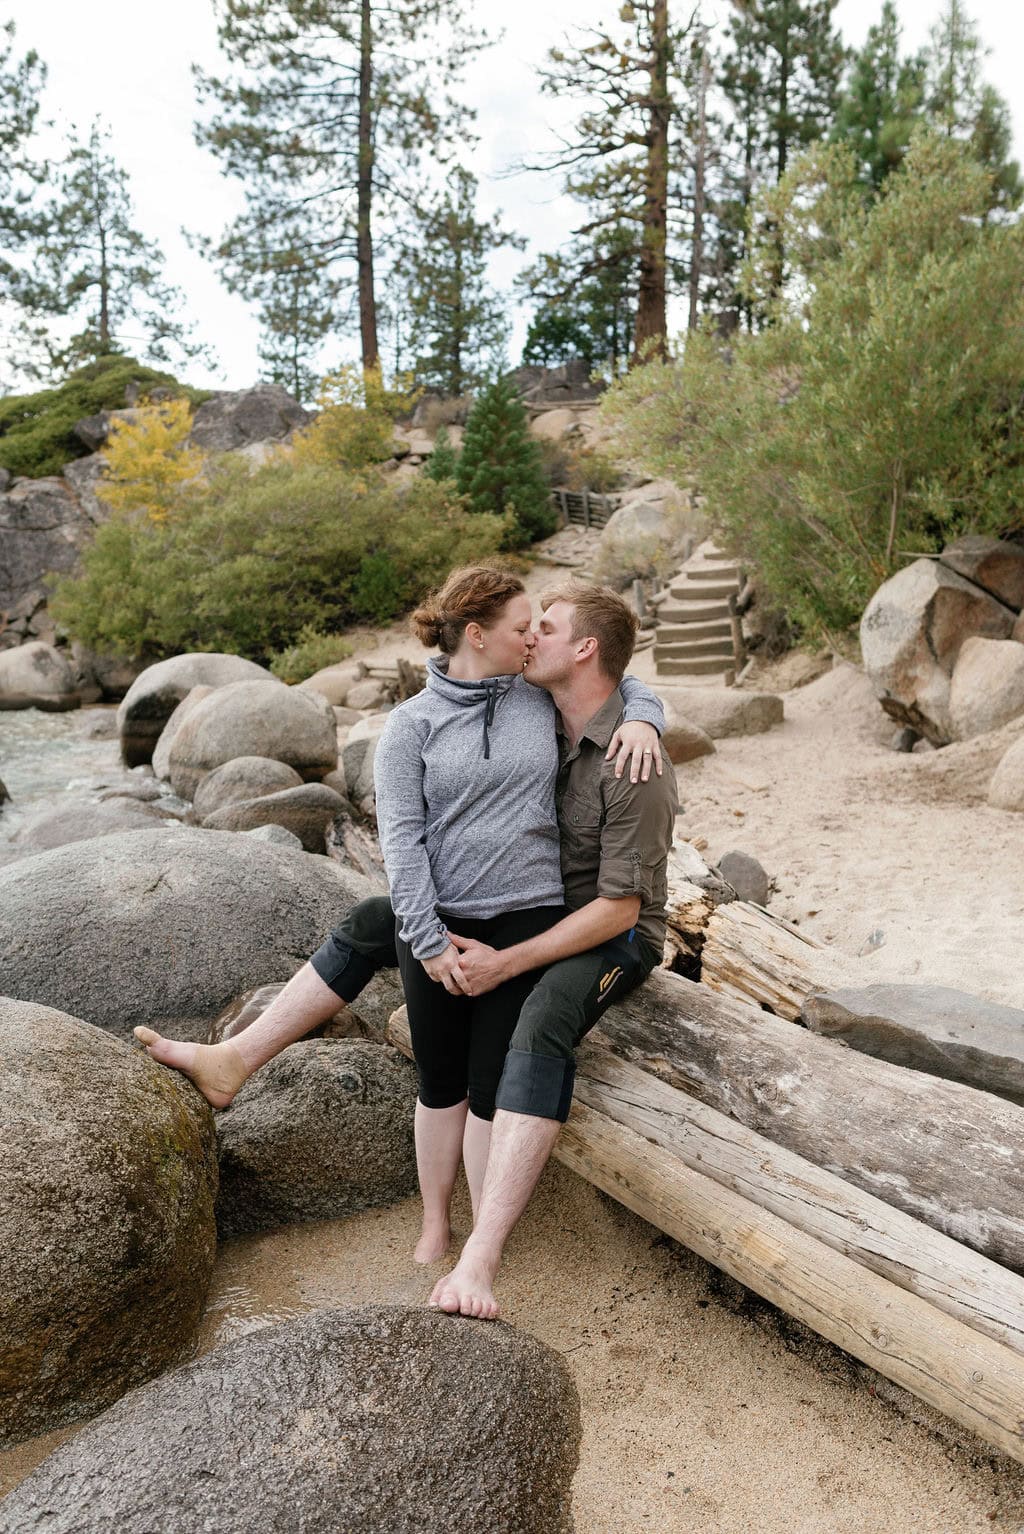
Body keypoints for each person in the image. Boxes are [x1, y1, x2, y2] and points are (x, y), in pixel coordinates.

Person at [135, 567, 665, 1268]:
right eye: (522, 628)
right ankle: (423, 1212)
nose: (532, 638)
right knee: (409, 1016)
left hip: (551, 920)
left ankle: (483, 1247)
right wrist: (427, 938)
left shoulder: (557, 707)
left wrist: (646, 714)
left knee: (498, 1071)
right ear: (478, 635)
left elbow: (617, 674)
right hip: (451, 919)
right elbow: (403, 846)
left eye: (543, 629)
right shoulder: (428, 720)